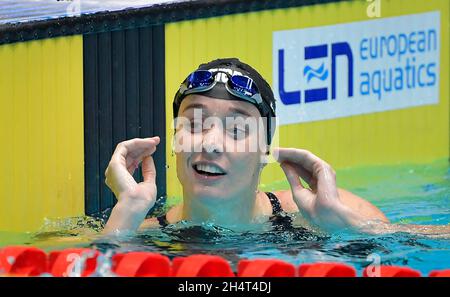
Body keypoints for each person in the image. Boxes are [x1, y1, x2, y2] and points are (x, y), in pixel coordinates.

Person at [103, 58, 449, 237]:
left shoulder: (320, 215)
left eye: (237, 129)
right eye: (193, 125)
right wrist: (126, 215)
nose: (209, 143)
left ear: (265, 151)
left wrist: (349, 227)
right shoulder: (137, 231)